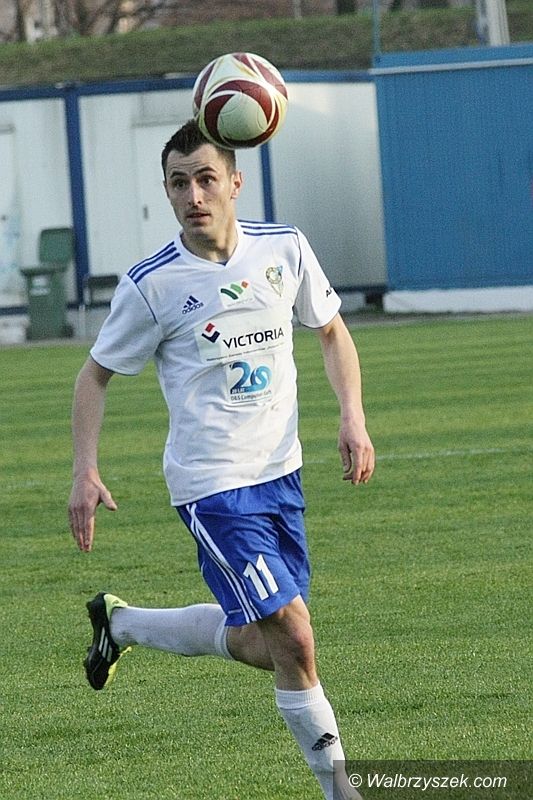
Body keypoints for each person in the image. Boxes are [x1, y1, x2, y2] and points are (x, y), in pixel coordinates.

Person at [68, 119, 374, 800]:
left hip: (281, 474)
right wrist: (85, 469)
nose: (193, 196)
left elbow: (331, 331)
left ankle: (122, 623)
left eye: (206, 179)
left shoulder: (284, 248)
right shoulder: (152, 284)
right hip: (212, 488)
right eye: (178, 183)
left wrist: (351, 415)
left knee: (269, 644)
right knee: (296, 639)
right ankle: (341, 790)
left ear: (235, 182)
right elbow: (94, 376)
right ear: (167, 192)